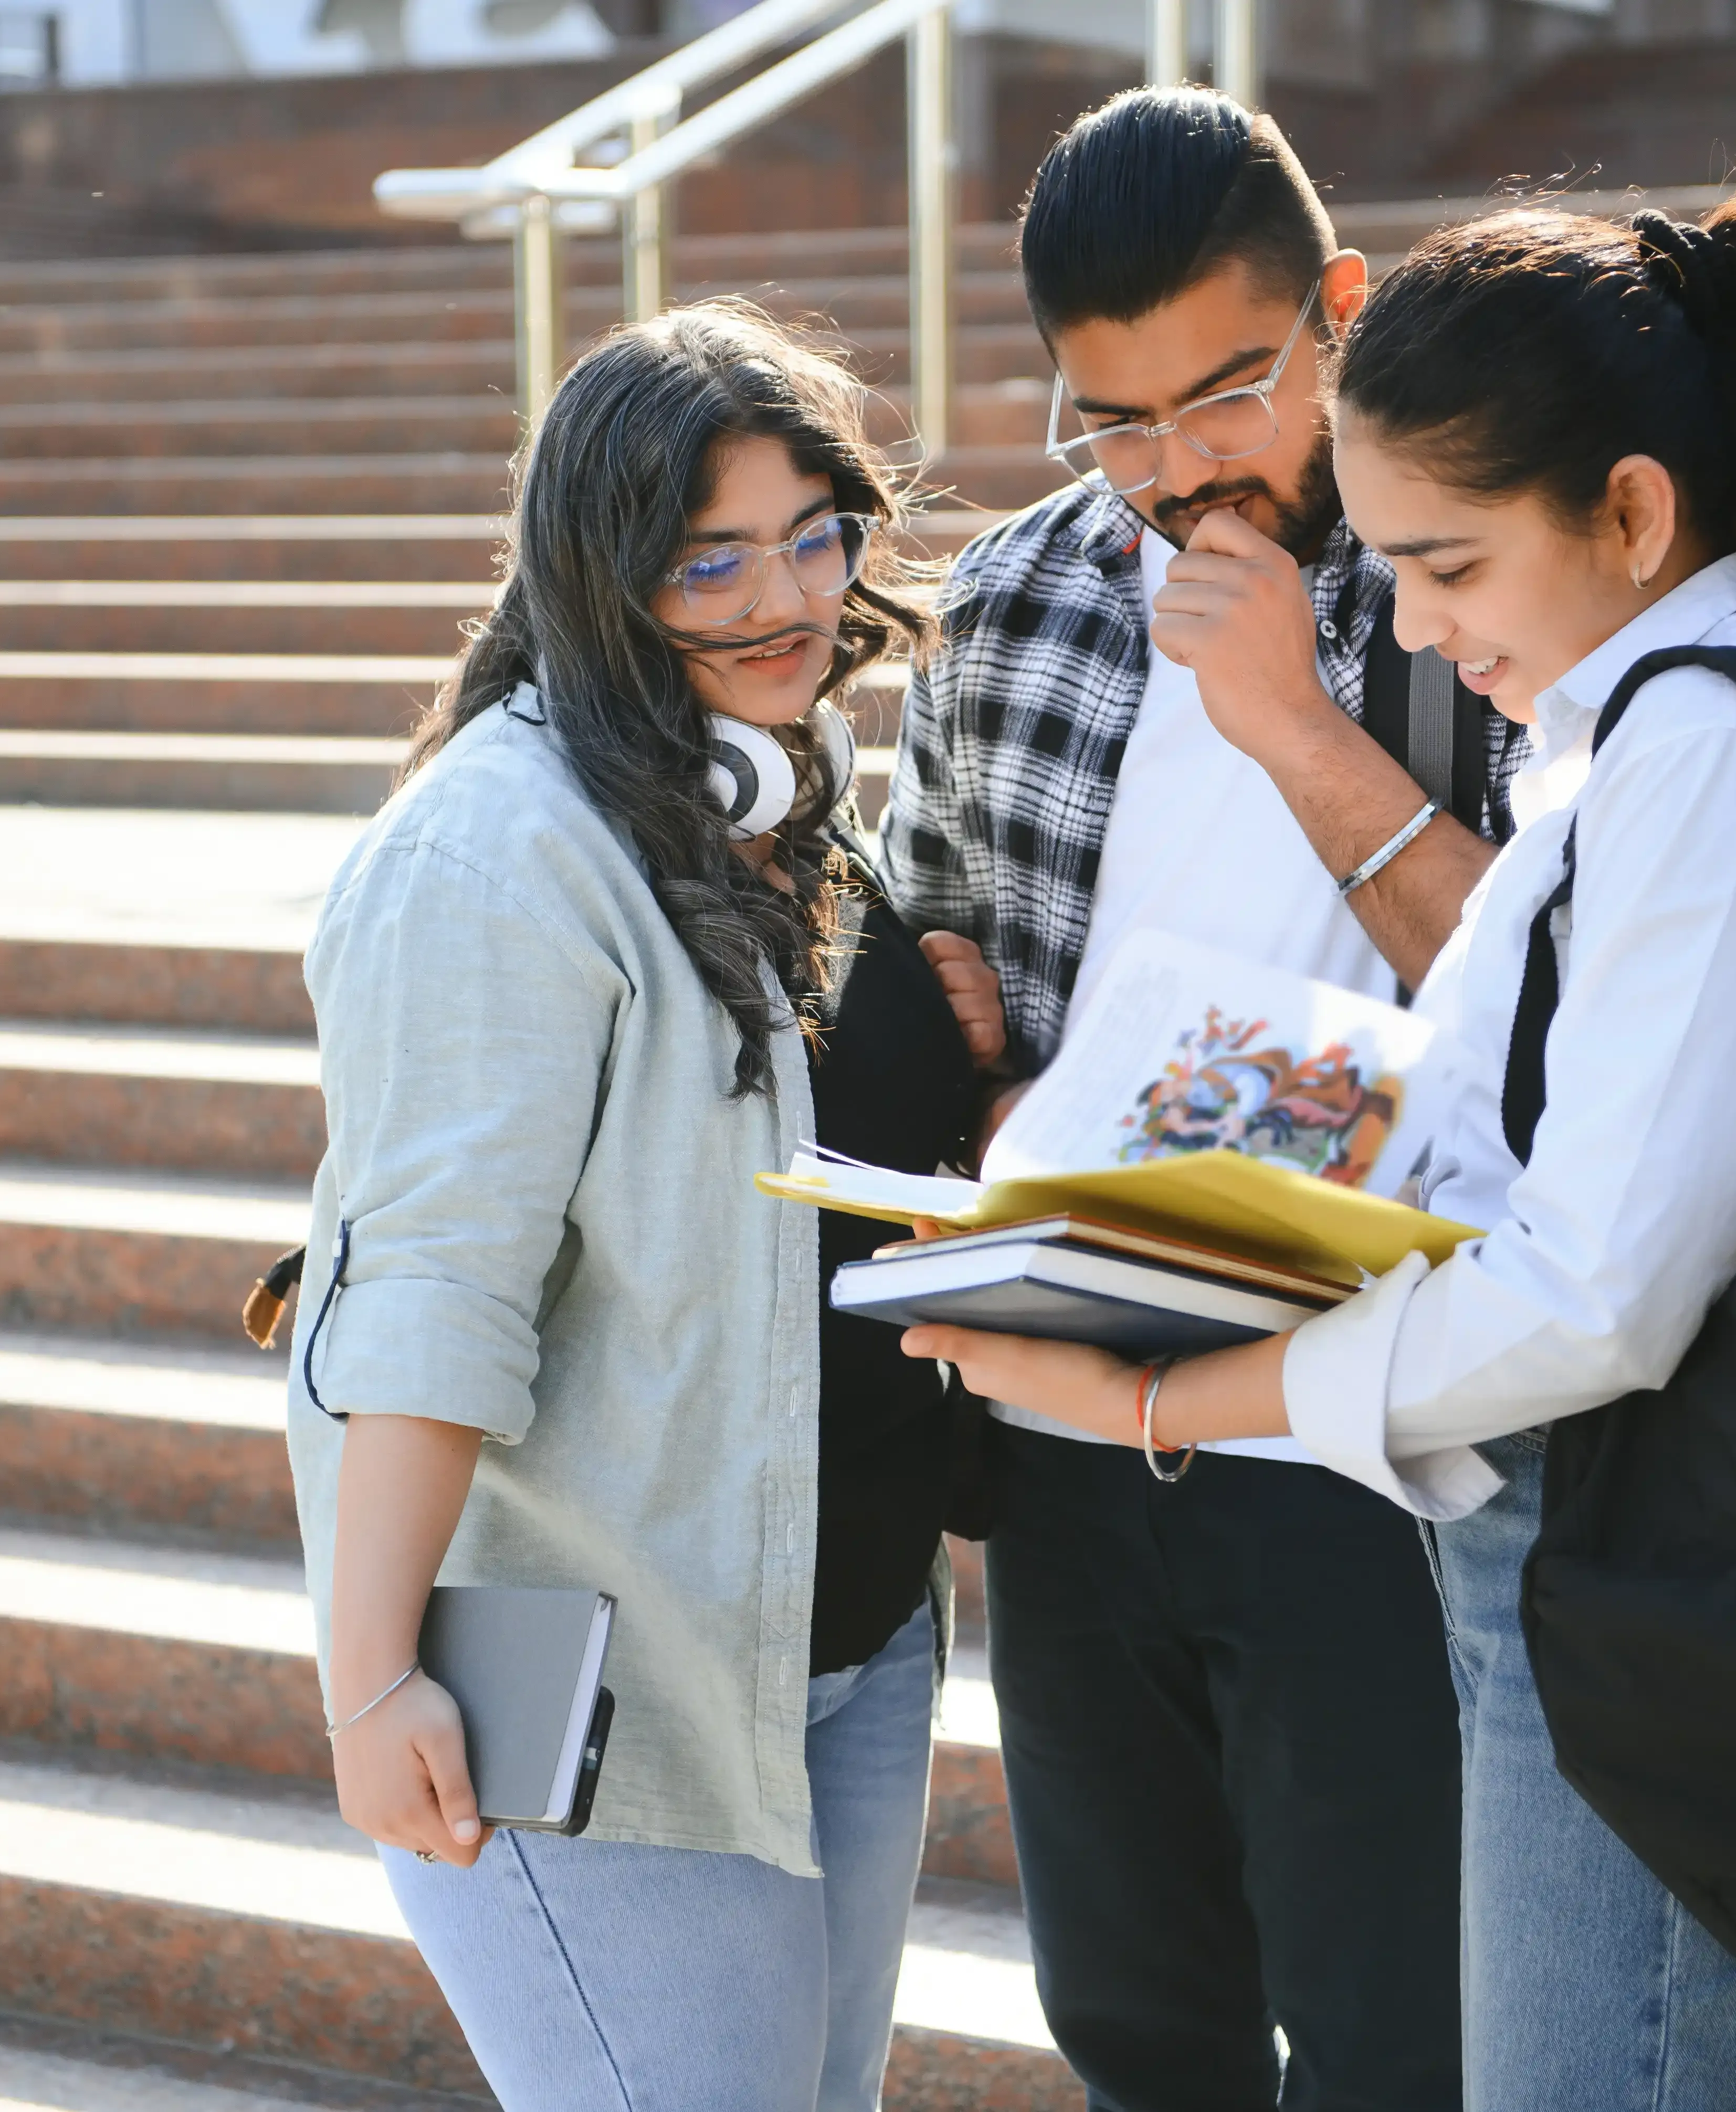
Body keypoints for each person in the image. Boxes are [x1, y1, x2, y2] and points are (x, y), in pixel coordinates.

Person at [901, 174, 1736, 2111]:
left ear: (1633, 513)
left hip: (1681, 1554)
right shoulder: (1635, 723)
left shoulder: (1706, 745)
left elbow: (1598, 1296)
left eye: (1451, 566)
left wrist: (1161, 1399)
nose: (1409, 623)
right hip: (1617, 1558)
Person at [286, 301, 1011, 2110]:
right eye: (710, 561)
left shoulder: (772, 797)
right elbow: (431, 1293)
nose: (785, 600)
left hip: (838, 1649)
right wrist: (370, 1686)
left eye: (815, 537)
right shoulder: (496, 853)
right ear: (601, 581)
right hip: (606, 1695)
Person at [877, 87, 1512, 2110]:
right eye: (1115, 423)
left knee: (1401, 2030)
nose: (1177, 472)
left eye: (1229, 396)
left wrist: (1290, 718)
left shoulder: (1479, 578)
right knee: (1138, 2020)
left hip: (1372, 1415)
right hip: (1073, 1409)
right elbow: (933, 925)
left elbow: (1571, 997)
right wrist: (958, 1043)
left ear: (1342, 309)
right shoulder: (1014, 600)